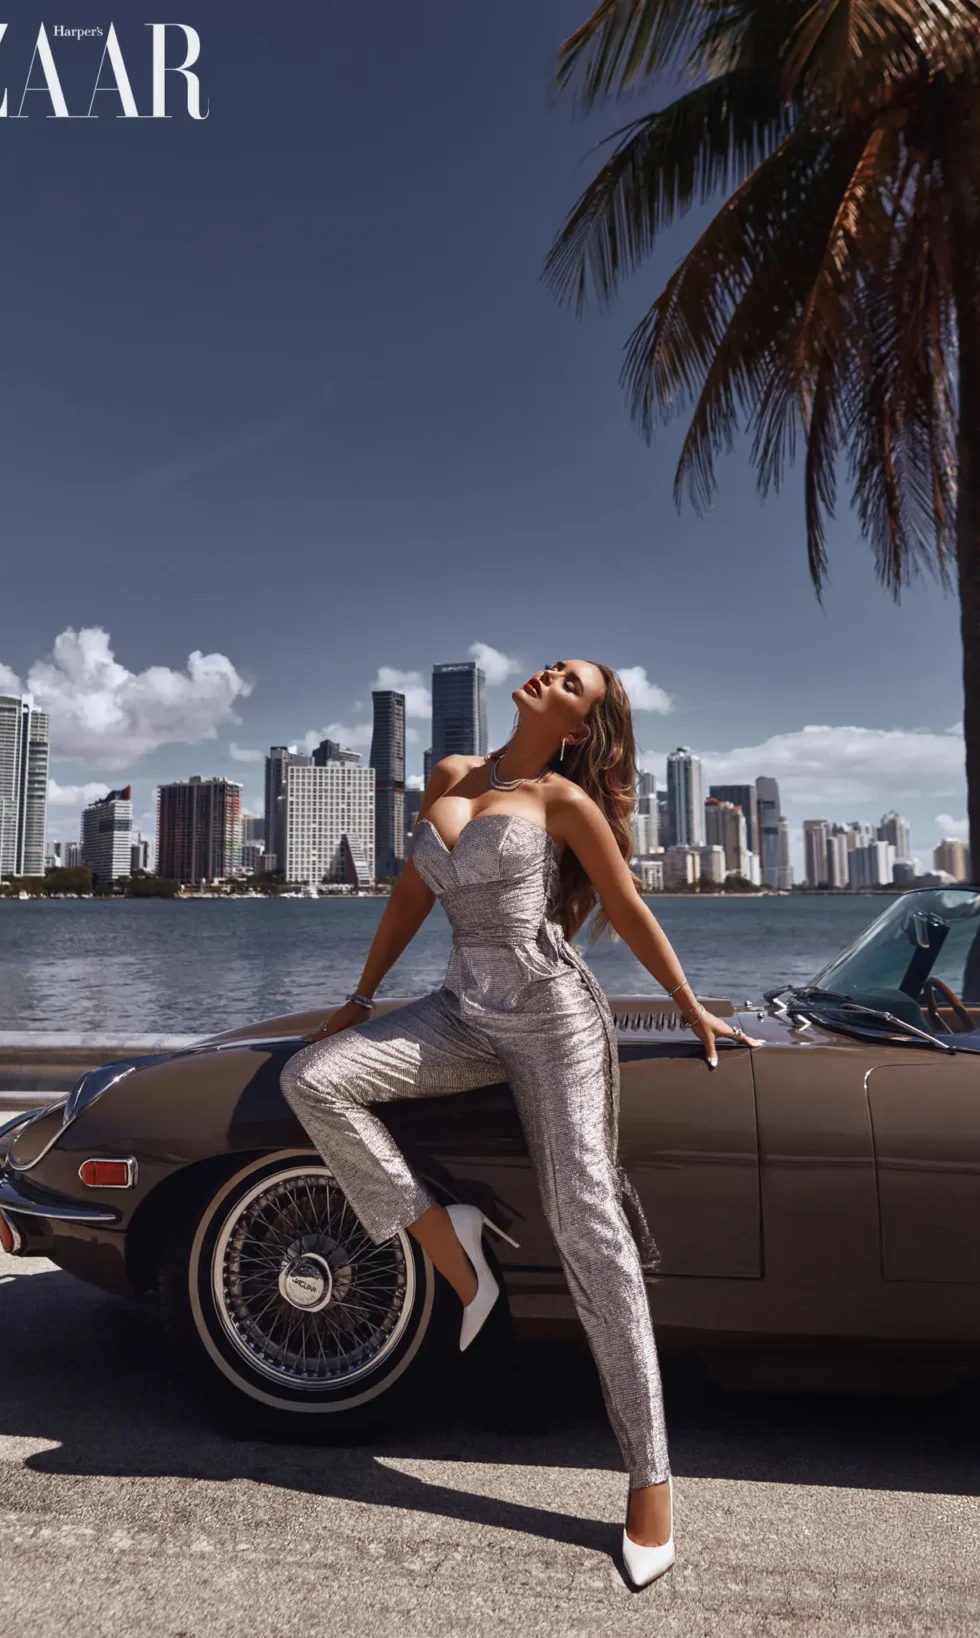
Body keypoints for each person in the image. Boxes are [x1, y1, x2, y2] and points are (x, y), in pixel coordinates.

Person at [280, 659, 760, 1588]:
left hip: (554, 1019)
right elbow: (412, 898)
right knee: (315, 1079)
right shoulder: (452, 775)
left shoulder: (561, 800)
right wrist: (361, 996)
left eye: (571, 680)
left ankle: (650, 1477)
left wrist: (690, 1008)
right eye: (553, 664)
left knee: (587, 1221)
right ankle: (455, 1254)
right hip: (460, 1013)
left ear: (580, 726)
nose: (549, 672)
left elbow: (624, 903)